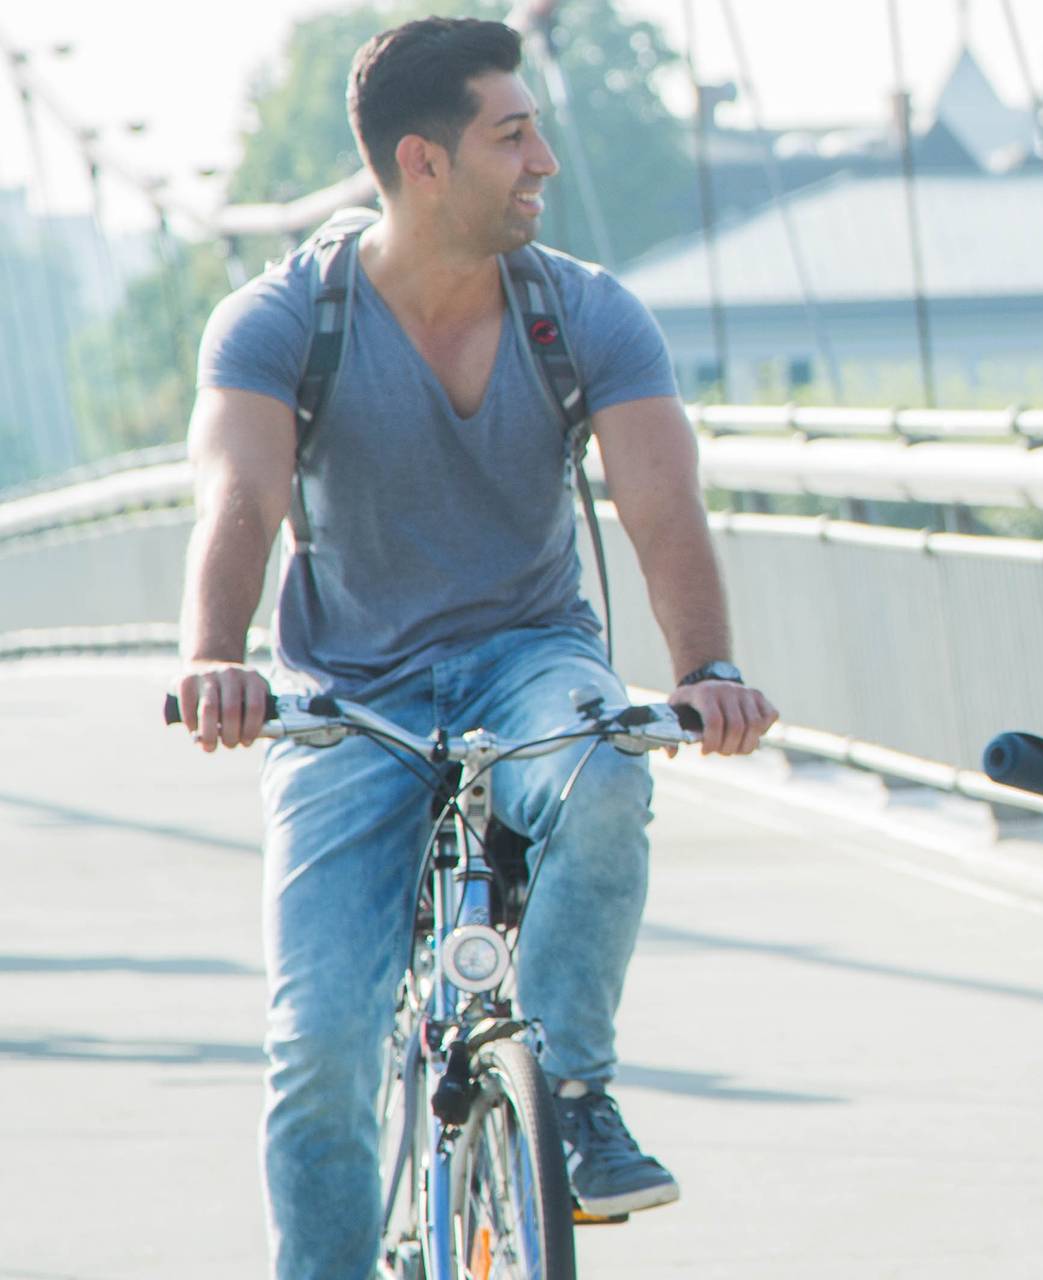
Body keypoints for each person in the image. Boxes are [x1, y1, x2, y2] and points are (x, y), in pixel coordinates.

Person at [173, 18, 778, 1277]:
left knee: (604, 763)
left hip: (529, 658)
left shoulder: (585, 313)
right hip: (351, 696)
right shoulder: (284, 318)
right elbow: (240, 494)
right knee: (317, 1048)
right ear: (423, 161)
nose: (543, 160)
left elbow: (661, 500)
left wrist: (708, 670)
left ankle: (570, 1087)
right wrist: (216, 653)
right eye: (513, 136)